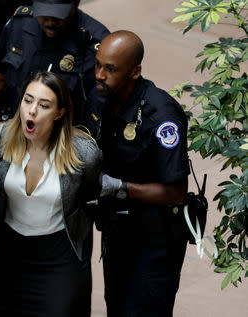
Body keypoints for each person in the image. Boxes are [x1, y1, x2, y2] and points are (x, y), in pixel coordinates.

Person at [87, 30, 190, 316]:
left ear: (135, 71)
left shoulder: (161, 115)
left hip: (154, 244)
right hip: (118, 236)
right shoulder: (105, 100)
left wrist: (120, 186)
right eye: (98, 65)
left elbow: (176, 192)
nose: (99, 74)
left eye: (110, 69)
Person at [0, 71, 102, 316]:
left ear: (60, 113)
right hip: (9, 255)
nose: (32, 111)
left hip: (58, 257)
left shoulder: (84, 153)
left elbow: (89, 197)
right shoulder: (0, 138)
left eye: (44, 105)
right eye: (27, 101)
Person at [0, 0, 109, 123]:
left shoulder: (98, 44)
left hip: (63, 135)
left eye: (58, 15)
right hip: (15, 124)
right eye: (44, 13)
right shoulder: (19, 24)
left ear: (76, 3)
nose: (50, 22)